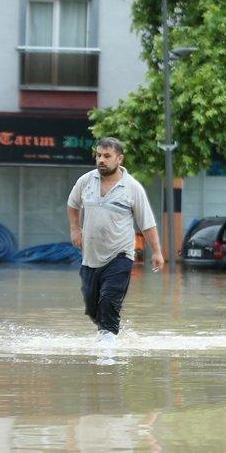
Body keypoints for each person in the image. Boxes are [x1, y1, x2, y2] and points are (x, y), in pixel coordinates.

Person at [67, 138, 163, 343]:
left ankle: (108, 354)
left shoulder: (132, 188)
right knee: (93, 307)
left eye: (107, 156)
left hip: (120, 254)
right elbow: (73, 204)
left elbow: (146, 222)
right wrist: (75, 229)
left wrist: (157, 251)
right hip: (91, 256)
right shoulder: (86, 181)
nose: (101, 160)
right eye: (99, 155)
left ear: (119, 159)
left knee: (110, 300)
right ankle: (109, 334)